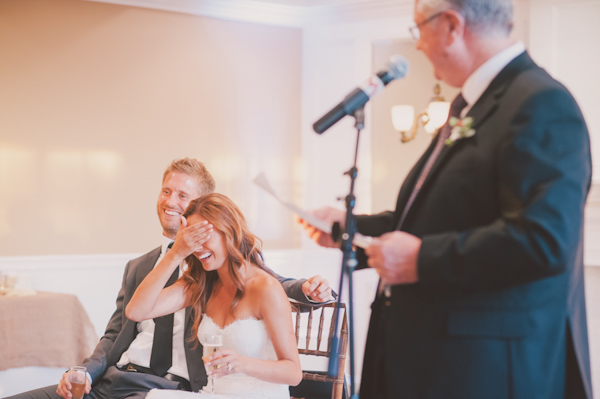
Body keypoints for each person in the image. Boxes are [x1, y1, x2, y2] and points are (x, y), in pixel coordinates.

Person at [298, 0, 594, 398]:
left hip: (482, 369)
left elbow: (545, 240)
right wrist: (347, 229)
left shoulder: (539, 102)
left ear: (452, 25)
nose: (417, 44)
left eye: (419, 27)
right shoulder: (470, 104)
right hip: (429, 357)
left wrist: (423, 260)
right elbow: (434, 221)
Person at [10, 158, 333, 399]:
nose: (196, 244)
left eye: (183, 197)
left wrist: (307, 290)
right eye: (166, 191)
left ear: (224, 229)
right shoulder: (194, 281)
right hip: (122, 380)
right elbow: (132, 315)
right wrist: (176, 254)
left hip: (185, 388)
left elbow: (291, 365)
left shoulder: (260, 284)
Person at [127, 193, 302, 399]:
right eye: (191, 239)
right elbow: (136, 311)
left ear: (228, 230)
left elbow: (293, 373)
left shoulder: (265, 288)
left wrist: (243, 363)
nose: (197, 248)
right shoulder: (201, 285)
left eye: (202, 236)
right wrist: (176, 253)